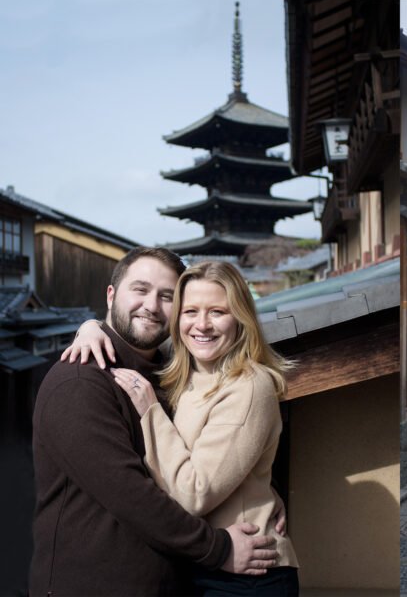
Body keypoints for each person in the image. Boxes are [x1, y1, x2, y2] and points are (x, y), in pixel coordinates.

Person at [30, 247, 278, 596]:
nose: (151, 305)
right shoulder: (81, 382)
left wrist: (258, 497)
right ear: (111, 294)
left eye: (167, 297)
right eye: (140, 289)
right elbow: (130, 494)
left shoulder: (168, 376)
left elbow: (210, 453)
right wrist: (217, 549)